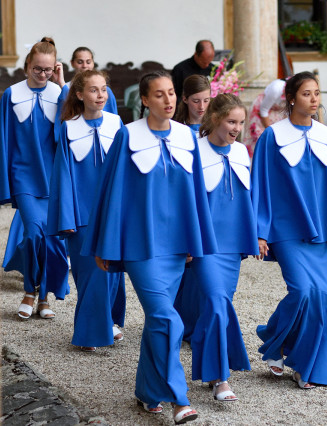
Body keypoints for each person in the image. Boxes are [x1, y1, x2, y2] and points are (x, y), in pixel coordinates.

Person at [81, 70, 216, 424]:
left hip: (175, 249)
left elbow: (196, 195)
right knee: (166, 317)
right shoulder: (127, 137)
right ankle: (179, 399)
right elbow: (110, 194)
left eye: (172, 93)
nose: (169, 100)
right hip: (139, 247)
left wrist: (195, 240)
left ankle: (146, 391)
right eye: (159, 95)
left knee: (159, 322)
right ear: (144, 100)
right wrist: (104, 246)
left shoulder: (188, 137)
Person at [251, 71, 327, 389]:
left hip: (318, 231)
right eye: (307, 93)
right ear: (292, 98)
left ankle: (304, 365)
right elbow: (261, 185)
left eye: (317, 93)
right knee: (301, 291)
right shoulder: (272, 137)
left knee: (323, 298)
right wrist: (259, 231)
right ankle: (275, 339)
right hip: (284, 229)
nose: (314, 99)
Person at [183, 94, 258, 402]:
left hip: (232, 248)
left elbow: (245, 201)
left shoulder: (242, 152)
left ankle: (210, 363)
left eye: (240, 122)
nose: (236, 128)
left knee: (219, 306)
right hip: (205, 245)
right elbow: (185, 201)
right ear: (214, 119)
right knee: (215, 302)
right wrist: (186, 240)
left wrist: (254, 237)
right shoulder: (193, 152)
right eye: (231, 121)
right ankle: (219, 378)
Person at [47, 69, 125, 351]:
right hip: (80, 216)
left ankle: (99, 326)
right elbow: (63, 177)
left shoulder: (118, 125)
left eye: (104, 89)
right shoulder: (68, 128)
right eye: (93, 90)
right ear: (79, 95)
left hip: (112, 214)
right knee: (89, 273)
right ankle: (94, 330)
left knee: (111, 273)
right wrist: (65, 218)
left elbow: (126, 173)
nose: (101, 95)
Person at [0, 40, 70, 320]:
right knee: (34, 233)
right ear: (27, 65)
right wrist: (2, 182)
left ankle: (45, 298)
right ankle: (29, 291)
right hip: (23, 176)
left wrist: (63, 86)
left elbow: (71, 134)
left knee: (52, 240)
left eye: (49, 69)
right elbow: (2, 140)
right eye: (38, 68)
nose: (43, 74)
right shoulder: (12, 95)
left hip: (53, 179)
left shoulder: (60, 94)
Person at [172, 75, 212, 339]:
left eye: (207, 100)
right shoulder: (175, 130)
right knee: (182, 263)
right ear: (184, 99)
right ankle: (179, 321)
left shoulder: (215, 129)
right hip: (181, 199)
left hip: (209, 196)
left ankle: (198, 322)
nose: (202, 106)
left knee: (203, 262)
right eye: (196, 100)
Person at [242, 79, 287, 157]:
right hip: (261, 112)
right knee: (260, 141)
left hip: (277, 113)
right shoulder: (276, 89)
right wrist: (272, 132)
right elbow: (263, 110)